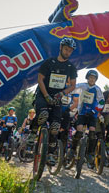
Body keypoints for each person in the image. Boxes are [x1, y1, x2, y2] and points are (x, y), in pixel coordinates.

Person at [34, 37, 77, 165]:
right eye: (66, 49)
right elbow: (40, 79)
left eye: (70, 51)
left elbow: (73, 86)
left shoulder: (71, 67)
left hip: (57, 97)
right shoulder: (49, 62)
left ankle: (51, 153)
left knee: (55, 126)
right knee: (43, 115)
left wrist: (62, 93)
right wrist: (46, 95)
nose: (67, 52)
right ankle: (32, 131)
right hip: (43, 94)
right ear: (60, 48)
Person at [67, 70, 104, 165]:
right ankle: (72, 150)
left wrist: (95, 110)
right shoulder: (82, 85)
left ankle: (90, 153)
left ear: (96, 79)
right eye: (90, 77)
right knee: (79, 131)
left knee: (92, 132)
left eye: (94, 78)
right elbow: (72, 88)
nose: (92, 79)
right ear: (87, 78)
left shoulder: (97, 89)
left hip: (93, 114)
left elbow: (101, 102)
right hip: (82, 112)